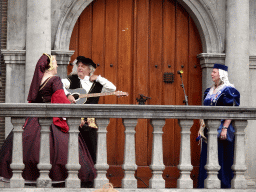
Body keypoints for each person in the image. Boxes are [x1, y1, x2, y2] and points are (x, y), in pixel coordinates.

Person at [0, 53, 96, 186]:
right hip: (51, 121)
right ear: (50, 65)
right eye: (55, 62)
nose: (57, 65)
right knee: (62, 151)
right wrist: (74, 115)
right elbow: (60, 101)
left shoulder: (39, 80)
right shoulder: (54, 79)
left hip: (34, 121)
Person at [62, 56, 116, 164]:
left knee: (92, 151)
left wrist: (98, 78)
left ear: (90, 69)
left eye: (83, 66)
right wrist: (68, 95)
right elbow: (58, 85)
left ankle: (90, 177)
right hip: (74, 121)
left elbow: (112, 88)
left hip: (90, 122)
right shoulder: (71, 80)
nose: (80, 68)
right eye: (79, 66)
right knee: (73, 151)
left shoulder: (97, 85)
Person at [197, 63, 240, 188]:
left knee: (221, 157)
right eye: (212, 72)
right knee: (207, 157)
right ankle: (204, 185)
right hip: (208, 130)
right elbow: (203, 110)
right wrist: (201, 127)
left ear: (221, 74)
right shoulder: (209, 90)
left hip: (221, 130)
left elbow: (231, 110)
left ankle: (223, 185)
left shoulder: (229, 90)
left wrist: (225, 128)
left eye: (214, 72)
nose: (211, 74)